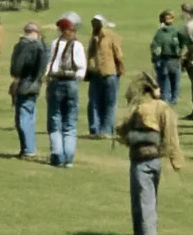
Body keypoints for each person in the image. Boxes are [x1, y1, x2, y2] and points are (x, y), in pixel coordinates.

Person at [116, 73, 184, 235]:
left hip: (141, 160)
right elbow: (171, 135)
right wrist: (176, 159)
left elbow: (124, 129)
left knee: (143, 197)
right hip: (154, 159)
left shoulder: (141, 108)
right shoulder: (162, 107)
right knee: (146, 196)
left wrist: (125, 135)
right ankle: (141, 232)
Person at [46, 14, 86, 168]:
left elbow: (50, 64)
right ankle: (68, 157)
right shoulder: (77, 45)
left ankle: (57, 154)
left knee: (55, 120)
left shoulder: (55, 43)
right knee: (70, 122)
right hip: (71, 83)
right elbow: (82, 68)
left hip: (56, 82)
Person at [9, 22, 48, 159]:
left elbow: (16, 69)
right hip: (36, 84)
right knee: (30, 116)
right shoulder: (42, 46)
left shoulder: (23, 45)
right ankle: (30, 148)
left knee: (23, 117)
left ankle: (28, 149)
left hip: (24, 83)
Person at [87, 15, 125, 139]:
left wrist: (120, 68)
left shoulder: (108, 36)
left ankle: (104, 129)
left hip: (108, 73)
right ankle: (98, 129)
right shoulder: (95, 37)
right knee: (98, 102)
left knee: (105, 102)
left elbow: (118, 54)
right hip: (99, 73)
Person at [150, 10, 186, 107]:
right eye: (167, 18)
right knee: (169, 83)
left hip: (171, 60)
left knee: (171, 83)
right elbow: (155, 47)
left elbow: (155, 47)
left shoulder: (172, 32)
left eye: (170, 17)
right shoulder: (164, 33)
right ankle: (169, 100)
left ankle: (170, 100)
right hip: (167, 60)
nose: (169, 20)